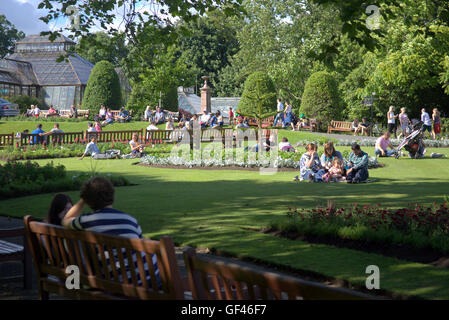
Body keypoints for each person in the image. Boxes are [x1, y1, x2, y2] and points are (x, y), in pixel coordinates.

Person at [61, 177, 160, 287]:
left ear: (88, 200)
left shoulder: (86, 221)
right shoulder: (130, 220)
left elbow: (66, 220)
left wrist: (83, 199)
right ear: (112, 195)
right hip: (146, 280)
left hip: (115, 279)